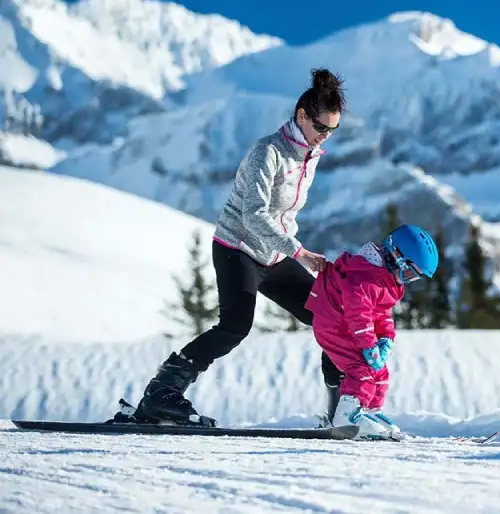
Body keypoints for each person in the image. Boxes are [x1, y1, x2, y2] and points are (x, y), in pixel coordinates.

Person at [134, 68, 348, 426]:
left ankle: (339, 409)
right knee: (235, 327)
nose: (325, 137)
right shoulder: (269, 152)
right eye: (321, 128)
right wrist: (300, 252)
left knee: (330, 318)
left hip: (274, 254)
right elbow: (253, 215)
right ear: (301, 116)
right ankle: (162, 394)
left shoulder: (308, 156)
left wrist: (289, 251)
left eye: (332, 130)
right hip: (237, 248)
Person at [306, 223, 439, 439]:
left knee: (380, 372)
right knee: (362, 370)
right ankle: (347, 417)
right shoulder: (364, 278)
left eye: (413, 277)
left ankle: (368, 412)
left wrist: (386, 338)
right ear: (396, 256)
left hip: (347, 327)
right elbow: (358, 316)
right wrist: (368, 346)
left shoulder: (386, 280)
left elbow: (382, 314)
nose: (408, 279)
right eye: (409, 273)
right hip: (334, 326)